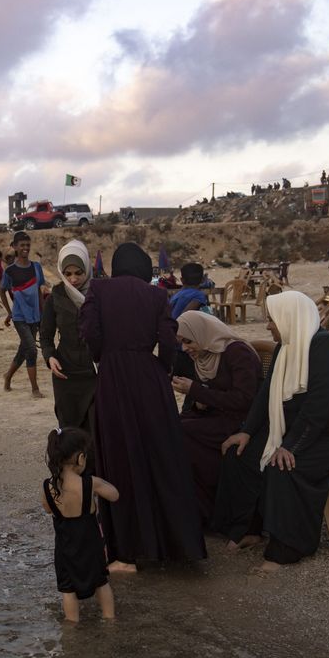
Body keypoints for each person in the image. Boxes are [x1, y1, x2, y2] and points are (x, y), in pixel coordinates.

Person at [212, 291, 329, 573]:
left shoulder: (325, 346)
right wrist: (247, 432)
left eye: (271, 320)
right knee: (240, 454)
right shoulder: (286, 347)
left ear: (289, 319)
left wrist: (291, 446)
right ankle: (250, 528)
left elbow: (318, 405)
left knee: (284, 465)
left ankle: (287, 548)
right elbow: (265, 395)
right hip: (310, 430)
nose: (268, 326)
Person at [79, 242, 206, 571]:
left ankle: (127, 553)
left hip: (113, 377)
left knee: (120, 457)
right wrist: (160, 369)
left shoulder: (100, 290)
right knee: (161, 456)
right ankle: (179, 546)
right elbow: (168, 340)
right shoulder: (156, 295)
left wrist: (103, 357)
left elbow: (89, 331)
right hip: (150, 380)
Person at [171, 311, 261, 527]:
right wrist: (199, 399)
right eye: (181, 342)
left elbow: (244, 399)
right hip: (217, 417)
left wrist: (196, 391)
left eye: (188, 341)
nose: (185, 348)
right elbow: (211, 393)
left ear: (202, 333)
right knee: (171, 427)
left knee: (180, 433)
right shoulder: (204, 356)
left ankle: (210, 509)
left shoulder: (237, 352)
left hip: (242, 422)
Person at [40, 427, 118, 623]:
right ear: (81, 458)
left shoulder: (47, 487)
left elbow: (48, 509)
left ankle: (71, 624)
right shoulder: (90, 483)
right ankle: (109, 619)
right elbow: (114, 495)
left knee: (68, 589)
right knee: (101, 582)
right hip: (91, 545)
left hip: (65, 548)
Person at [39, 240, 96, 435]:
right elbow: (45, 335)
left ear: (87, 269)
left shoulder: (99, 294)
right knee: (70, 429)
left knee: (95, 430)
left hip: (95, 373)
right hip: (66, 374)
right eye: (68, 273)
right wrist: (50, 357)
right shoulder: (56, 296)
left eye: (78, 273)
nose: (73, 279)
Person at [0, 231, 48, 397]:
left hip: (35, 316)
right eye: (22, 245)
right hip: (20, 317)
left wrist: (43, 313)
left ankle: (8, 377)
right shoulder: (10, 271)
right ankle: (35, 389)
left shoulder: (36, 267)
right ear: (15, 247)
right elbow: (2, 290)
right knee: (32, 350)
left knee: (23, 350)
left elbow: (39, 292)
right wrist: (9, 312)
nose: (25, 248)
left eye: (27, 245)